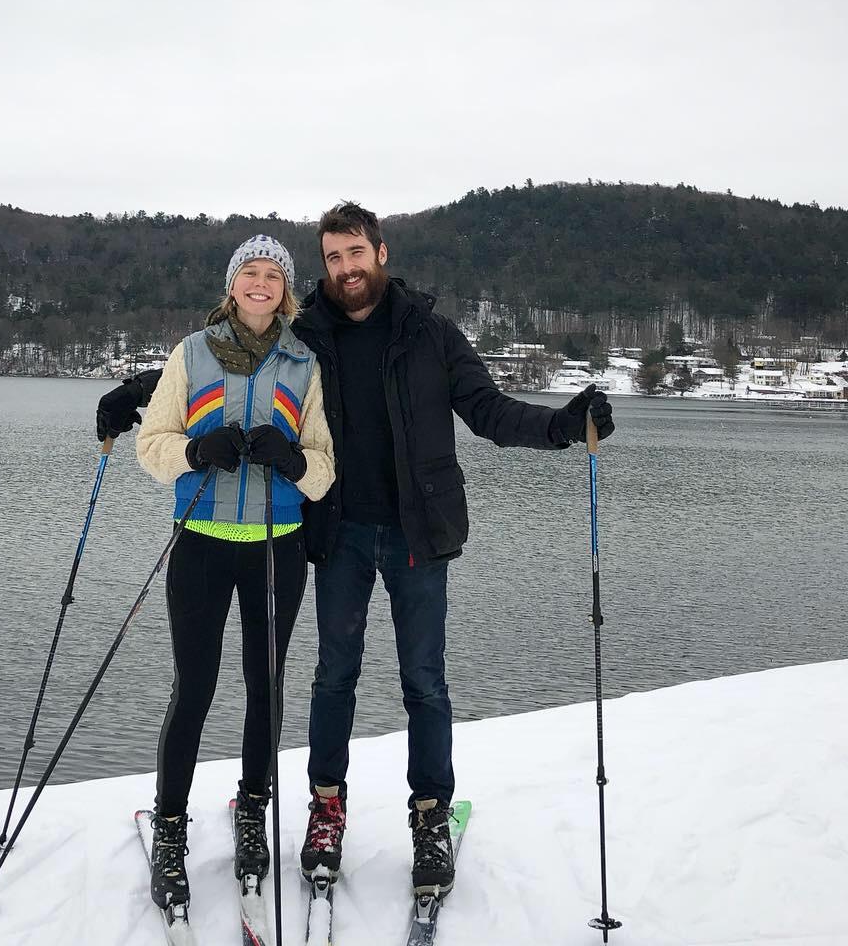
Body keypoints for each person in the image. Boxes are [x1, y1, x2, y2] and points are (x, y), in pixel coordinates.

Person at [292, 202, 615, 898]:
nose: (345, 269)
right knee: (332, 678)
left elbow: (490, 412)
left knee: (424, 683)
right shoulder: (305, 337)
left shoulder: (431, 335)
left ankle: (430, 815)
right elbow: (240, 387)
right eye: (333, 258)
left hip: (417, 534)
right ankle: (327, 809)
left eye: (355, 253)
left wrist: (563, 424)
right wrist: (143, 394)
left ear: (381, 252)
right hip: (339, 530)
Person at [120, 235, 335, 913]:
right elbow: (149, 447)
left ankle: (251, 811)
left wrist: (294, 461)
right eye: (251, 274)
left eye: (274, 275)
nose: (262, 284)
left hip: (278, 545)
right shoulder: (191, 353)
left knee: (263, 687)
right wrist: (195, 449)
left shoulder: (305, 363)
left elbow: (326, 466)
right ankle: (171, 823)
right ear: (233, 285)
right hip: (202, 545)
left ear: (286, 289)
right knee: (196, 687)